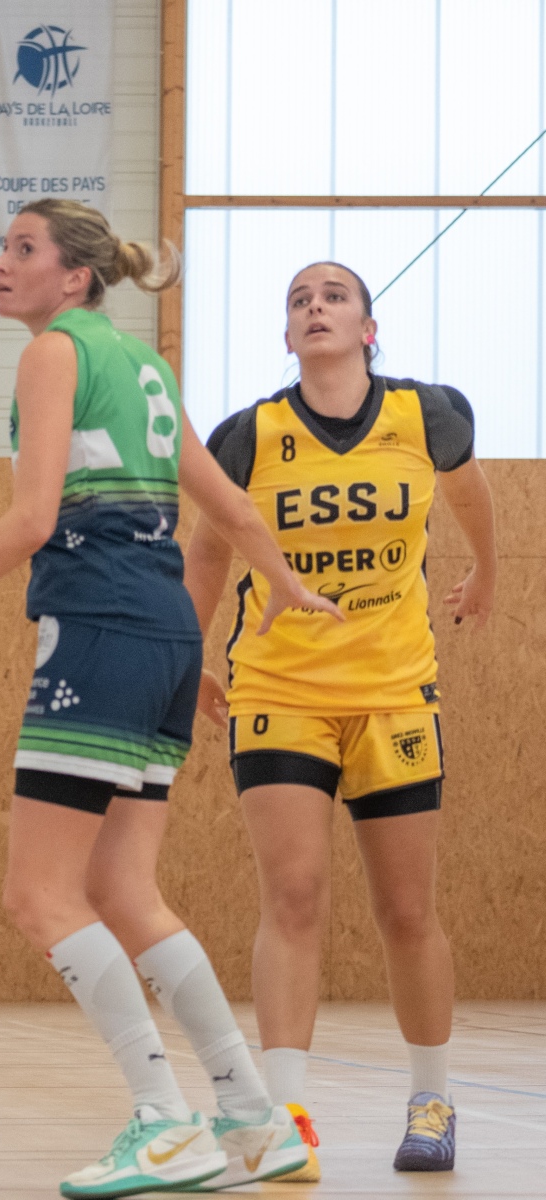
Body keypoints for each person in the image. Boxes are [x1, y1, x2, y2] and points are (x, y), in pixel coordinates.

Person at [0, 203, 344, 1198]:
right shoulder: (147, 366)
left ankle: (164, 1120)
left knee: (36, 895)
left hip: (103, 628)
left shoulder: (54, 355)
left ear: (73, 277)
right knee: (122, 890)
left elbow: (33, 520)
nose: (1, 262)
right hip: (162, 637)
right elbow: (231, 506)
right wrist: (286, 588)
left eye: (22, 248)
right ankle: (254, 1118)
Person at [184, 261, 497, 1180]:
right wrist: (185, 653)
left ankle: (431, 1100)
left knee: (407, 909)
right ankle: (286, 1120)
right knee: (293, 898)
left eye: (332, 296)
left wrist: (489, 571)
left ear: (368, 327)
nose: (314, 306)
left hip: (395, 692)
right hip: (280, 690)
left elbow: (471, 494)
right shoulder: (250, 435)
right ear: (287, 338)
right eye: (298, 300)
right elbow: (208, 552)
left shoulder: (426, 415)